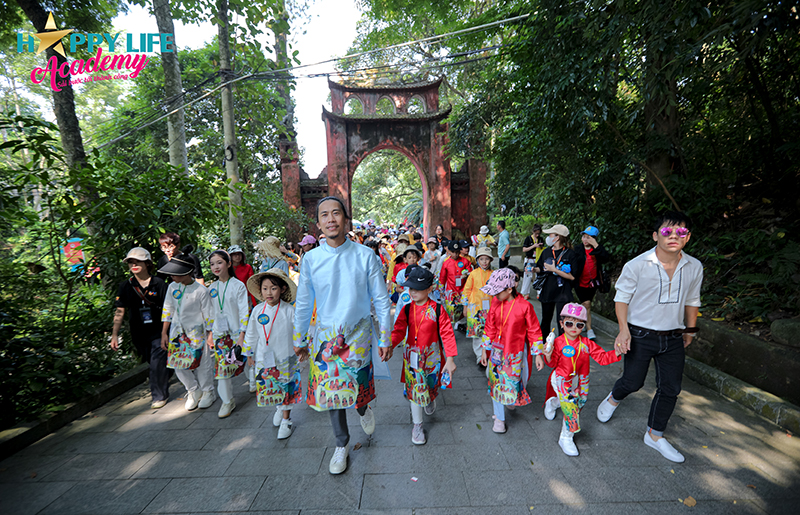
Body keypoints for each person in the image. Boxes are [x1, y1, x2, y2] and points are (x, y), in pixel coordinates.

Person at [292, 196, 393, 475]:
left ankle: (363, 409)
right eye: (324, 215)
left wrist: (385, 338)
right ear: (318, 224)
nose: (331, 219)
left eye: (336, 213)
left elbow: (381, 300)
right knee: (331, 392)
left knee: (357, 386)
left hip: (358, 335)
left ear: (346, 219)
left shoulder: (365, 255)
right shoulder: (311, 260)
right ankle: (341, 444)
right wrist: (298, 338)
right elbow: (303, 302)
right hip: (326, 337)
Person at [596, 211, 702, 463]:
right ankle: (615, 397)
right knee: (633, 382)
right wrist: (623, 330)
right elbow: (621, 299)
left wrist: (690, 329)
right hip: (640, 334)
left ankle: (654, 435)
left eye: (681, 232)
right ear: (656, 235)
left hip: (673, 337)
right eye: (667, 231)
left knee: (671, 388)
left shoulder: (694, 266)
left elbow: (692, 300)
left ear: (688, 237)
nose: (674, 236)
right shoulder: (636, 265)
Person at [543, 303, 621, 456]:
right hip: (561, 379)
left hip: (580, 381)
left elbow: (603, 358)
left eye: (579, 324)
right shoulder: (558, 342)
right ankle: (566, 437)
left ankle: (552, 403)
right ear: (561, 324)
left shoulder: (586, 344)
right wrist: (547, 353)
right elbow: (552, 363)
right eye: (569, 323)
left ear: (584, 326)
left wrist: (617, 352)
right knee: (571, 408)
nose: (574, 327)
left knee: (579, 404)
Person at [391, 266, 457, 445]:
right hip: (412, 360)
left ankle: (430, 398)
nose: (412, 292)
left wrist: (449, 359)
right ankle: (417, 425)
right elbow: (398, 331)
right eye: (410, 288)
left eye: (417, 288)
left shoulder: (437, 309)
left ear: (429, 289)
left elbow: (447, 333)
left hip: (432, 358)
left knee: (430, 386)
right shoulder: (406, 309)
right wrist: (389, 344)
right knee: (415, 393)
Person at [478, 269, 544, 433]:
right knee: (495, 382)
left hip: (516, 353)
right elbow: (489, 327)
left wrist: (537, 354)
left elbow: (534, 330)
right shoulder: (495, 303)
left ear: (509, 289)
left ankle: (511, 398)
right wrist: (484, 350)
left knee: (514, 380)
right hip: (497, 351)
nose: (495, 295)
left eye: (497, 291)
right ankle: (499, 418)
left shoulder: (524, 307)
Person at [245, 269, 301, 440]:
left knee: (287, 385)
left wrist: (302, 347)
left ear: (283, 289)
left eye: (273, 288)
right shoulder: (257, 311)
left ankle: (286, 419)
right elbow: (252, 333)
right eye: (265, 288)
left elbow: (299, 332)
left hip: (286, 357)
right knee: (272, 386)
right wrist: (249, 352)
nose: (269, 292)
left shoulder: (289, 310)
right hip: (265, 357)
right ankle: (279, 406)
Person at [110, 248, 170, 409]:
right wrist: (114, 335)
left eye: (138, 261)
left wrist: (165, 332)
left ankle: (159, 396)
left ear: (147, 263)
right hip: (138, 333)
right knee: (154, 363)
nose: (134, 264)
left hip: (159, 330)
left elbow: (168, 309)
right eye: (131, 262)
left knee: (157, 363)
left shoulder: (159, 283)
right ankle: (166, 376)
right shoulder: (125, 286)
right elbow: (120, 311)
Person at [159, 256, 215, 411]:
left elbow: (209, 314)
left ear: (187, 273)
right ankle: (193, 390)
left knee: (202, 363)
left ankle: (208, 391)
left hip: (197, 332)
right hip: (177, 333)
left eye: (175, 273)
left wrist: (210, 335)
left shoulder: (201, 291)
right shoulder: (172, 287)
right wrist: (164, 332)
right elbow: (167, 309)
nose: (172, 276)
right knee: (178, 364)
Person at [206, 250, 250, 418]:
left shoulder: (238, 285)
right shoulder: (211, 288)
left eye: (219, 262)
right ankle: (227, 401)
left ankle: (253, 381)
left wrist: (242, 334)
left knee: (245, 362)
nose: (215, 267)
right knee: (221, 370)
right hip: (220, 335)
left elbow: (244, 311)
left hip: (237, 334)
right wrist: (210, 332)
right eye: (212, 264)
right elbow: (210, 313)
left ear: (229, 264)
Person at [533, 224, 582, 335]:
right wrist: (533, 269)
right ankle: (543, 347)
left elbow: (572, 277)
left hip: (563, 292)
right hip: (547, 290)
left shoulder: (570, 254)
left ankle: (562, 348)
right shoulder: (546, 252)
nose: (548, 237)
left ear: (557, 237)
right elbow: (540, 268)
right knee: (545, 321)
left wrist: (554, 270)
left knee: (562, 322)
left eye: (550, 235)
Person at [573, 226, 612, 340]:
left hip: (592, 283)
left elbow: (605, 258)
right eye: (584, 237)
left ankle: (582, 321)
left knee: (586, 305)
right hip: (579, 282)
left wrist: (595, 245)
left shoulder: (597, 250)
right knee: (587, 304)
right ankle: (590, 329)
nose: (585, 240)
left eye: (588, 237)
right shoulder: (578, 249)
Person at [462, 247, 494, 365]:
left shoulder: (493, 274)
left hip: (490, 308)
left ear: (490, 260)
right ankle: (479, 356)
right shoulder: (473, 274)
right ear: (478, 260)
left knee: (488, 331)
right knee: (477, 332)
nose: (484, 262)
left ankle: (488, 353)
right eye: (481, 259)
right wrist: (465, 307)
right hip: (475, 307)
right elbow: (467, 290)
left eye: (487, 259)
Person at [438, 240, 473, 330]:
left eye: (457, 252)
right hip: (451, 291)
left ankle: (461, 324)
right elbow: (442, 278)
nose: (455, 254)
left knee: (463, 309)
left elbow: (471, 273)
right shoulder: (446, 263)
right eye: (453, 252)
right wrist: (441, 291)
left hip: (463, 290)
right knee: (451, 311)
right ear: (449, 251)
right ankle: (450, 329)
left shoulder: (465, 261)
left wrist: (467, 273)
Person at [520, 224, 545, 300]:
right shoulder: (528, 239)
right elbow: (524, 249)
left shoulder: (541, 239)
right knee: (528, 276)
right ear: (533, 232)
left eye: (538, 233)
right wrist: (533, 246)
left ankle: (539, 293)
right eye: (536, 233)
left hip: (538, 260)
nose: (537, 235)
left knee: (539, 276)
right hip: (529, 260)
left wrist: (540, 246)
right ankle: (525, 293)